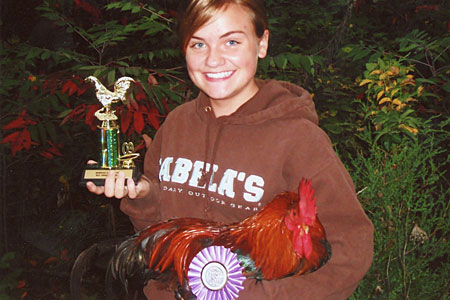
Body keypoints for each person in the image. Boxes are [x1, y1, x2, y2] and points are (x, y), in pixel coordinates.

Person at [87, 0, 374, 299]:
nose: (213, 60)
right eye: (198, 44)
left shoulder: (299, 138)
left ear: (261, 44)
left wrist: (266, 296)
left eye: (232, 41)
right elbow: (157, 230)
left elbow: (351, 248)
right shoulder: (177, 124)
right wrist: (144, 196)